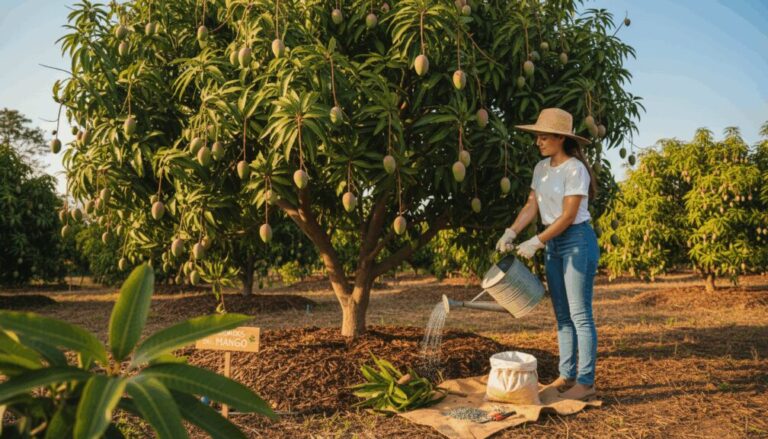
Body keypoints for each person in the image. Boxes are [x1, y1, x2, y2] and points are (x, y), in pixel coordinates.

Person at [495, 107, 600, 401]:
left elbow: (567, 215)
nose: (538, 142)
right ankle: (566, 375)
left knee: (580, 314)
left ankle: (586, 381)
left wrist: (536, 241)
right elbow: (532, 206)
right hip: (552, 242)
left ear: (560, 138)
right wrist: (512, 232)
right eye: (537, 137)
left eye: (543, 137)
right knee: (562, 315)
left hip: (576, 240)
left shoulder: (575, 169)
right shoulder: (541, 169)